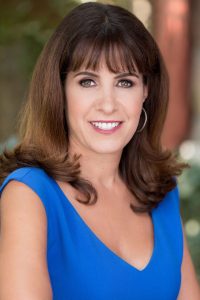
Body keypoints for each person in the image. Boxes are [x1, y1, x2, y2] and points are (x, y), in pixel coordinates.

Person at [0, 2, 199, 299]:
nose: (107, 104)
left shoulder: (161, 191)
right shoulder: (30, 196)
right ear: (60, 89)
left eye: (125, 82)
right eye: (88, 81)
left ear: (145, 91)